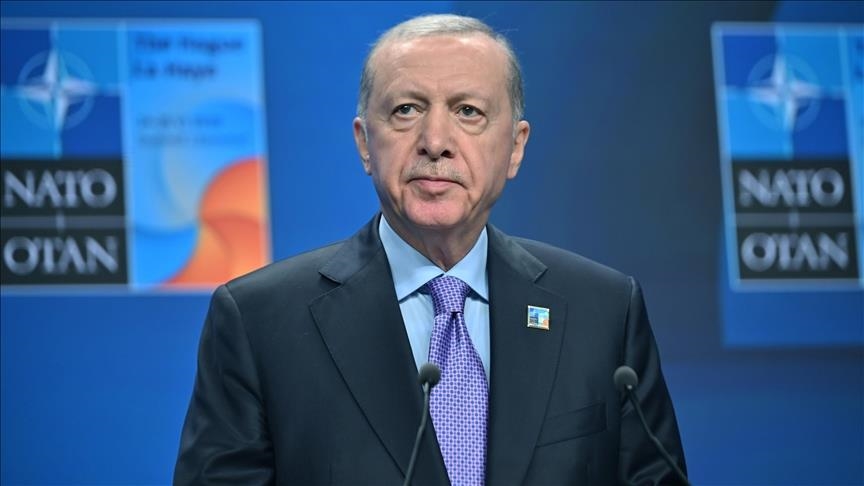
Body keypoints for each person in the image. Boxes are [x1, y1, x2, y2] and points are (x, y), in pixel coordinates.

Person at [174, 13, 686, 485]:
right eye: (406, 110)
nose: (435, 140)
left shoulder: (603, 310)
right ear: (364, 143)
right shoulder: (260, 322)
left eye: (468, 111)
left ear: (515, 147)